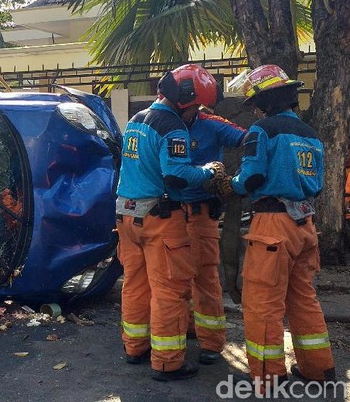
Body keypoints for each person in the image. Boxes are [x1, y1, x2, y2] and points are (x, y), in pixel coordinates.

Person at [216, 64, 335, 394]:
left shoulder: (262, 130)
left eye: (255, 102)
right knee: (303, 299)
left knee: (262, 302)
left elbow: (251, 177)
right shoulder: (310, 135)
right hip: (305, 224)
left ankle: (268, 378)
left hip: (272, 225)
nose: (253, 109)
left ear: (265, 102)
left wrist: (230, 185)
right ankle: (318, 369)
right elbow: (319, 185)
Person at [116, 64, 224, 381]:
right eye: (197, 108)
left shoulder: (135, 121)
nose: (196, 115)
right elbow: (176, 176)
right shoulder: (173, 127)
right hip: (159, 220)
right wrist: (209, 172)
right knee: (170, 291)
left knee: (135, 285)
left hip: (126, 216)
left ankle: (135, 347)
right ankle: (167, 362)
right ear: (186, 102)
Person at [182, 106, 246, 365]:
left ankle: (211, 341)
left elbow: (250, 139)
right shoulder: (163, 121)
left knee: (205, 277)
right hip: (170, 213)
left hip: (200, 212)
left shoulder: (212, 124)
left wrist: (238, 179)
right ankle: (186, 327)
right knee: (174, 278)